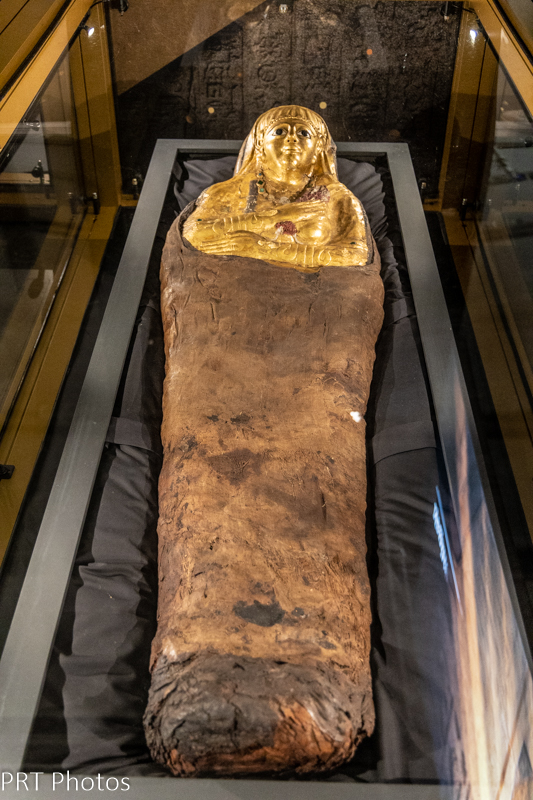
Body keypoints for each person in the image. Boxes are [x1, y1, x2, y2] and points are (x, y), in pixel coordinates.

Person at [145, 105, 383, 777]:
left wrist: (280, 244)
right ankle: (194, 647)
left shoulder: (340, 208)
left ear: (321, 152)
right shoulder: (218, 203)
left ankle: (323, 659)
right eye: (278, 131)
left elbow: (342, 261)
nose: (290, 143)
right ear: (255, 145)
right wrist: (274, 239)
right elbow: (203, 248)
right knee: (204, 469)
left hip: (318, 328)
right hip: (222, 328)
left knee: (318, 459)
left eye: (304, 133)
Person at [183, 105, 372, 271]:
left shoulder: (337, 197)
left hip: (314, 287)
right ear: (260, 144)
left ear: (318, 147)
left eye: (304, 133)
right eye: (280, 131)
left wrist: (260, 249)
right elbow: (193, 234)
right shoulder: (227, 192)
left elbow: (355, 255)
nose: (292, 138)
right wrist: (271, 218)